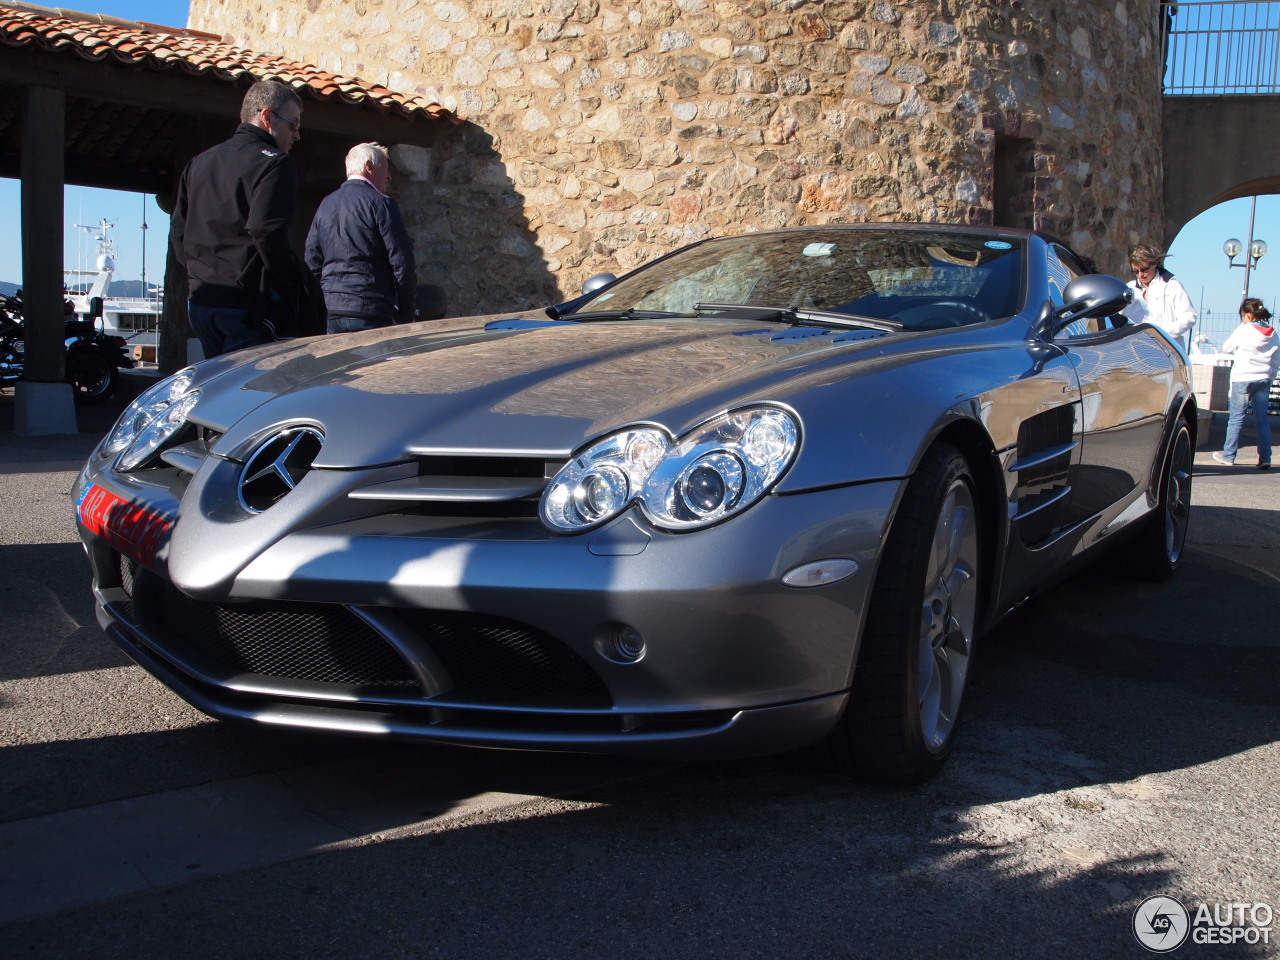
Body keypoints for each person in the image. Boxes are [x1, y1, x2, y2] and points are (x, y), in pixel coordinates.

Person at [169, 79, 311, 357]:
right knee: (251, 394)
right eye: (293, 124)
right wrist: (288, 281)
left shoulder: (199, 162)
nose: (296, 135)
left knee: (220, 389)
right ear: (267, 117)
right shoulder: (275, 163)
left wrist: (198, 273)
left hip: (201, 301)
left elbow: (178, 232)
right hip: (244, 303)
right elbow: (265, 230)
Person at [305, 143, 417, 333]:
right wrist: (407, 315)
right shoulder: (381, 204)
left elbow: (312, 259)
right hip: (370, 308)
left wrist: (317, 304)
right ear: (369, 167)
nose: (389, 176)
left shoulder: (325, 204)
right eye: (385, 169)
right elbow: (402, 262)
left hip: (331, 310)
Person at [1212, 298, 1278, 470]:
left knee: (1236, 418)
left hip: (1242, 378)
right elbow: (1277, 358)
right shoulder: (1273, 333)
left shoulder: (1244, 330)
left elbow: (1227, 347)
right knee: (1262, 419)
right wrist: (1270, 375)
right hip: (1263, 379)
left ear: (1248, 315)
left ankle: (1228, 455)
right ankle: (1265, 458)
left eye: (1242, 316)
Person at [1122, 243, 1197, 352]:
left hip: (1167, 351)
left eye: (1144, 269)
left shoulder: (1172, 286)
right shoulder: (1129, 288)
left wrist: (1161, 334)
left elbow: (1189, 317)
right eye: (1136, 271)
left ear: (1155, 264)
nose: (1140, 275)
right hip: (1137, 351)